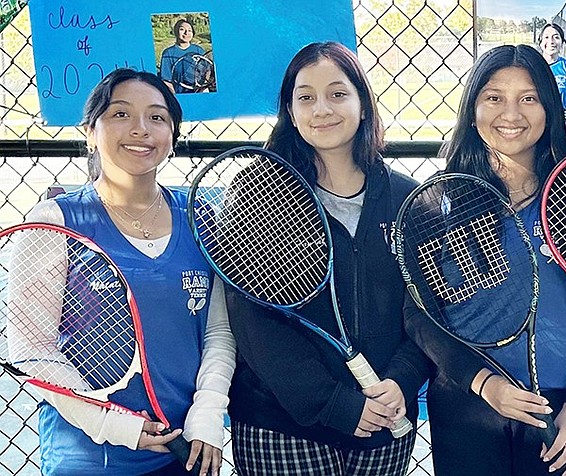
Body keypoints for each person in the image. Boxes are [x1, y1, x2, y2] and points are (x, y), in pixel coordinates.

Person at [404, 44, 566, 476]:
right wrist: (484, 383)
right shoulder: (436, 199)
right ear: (472, 109)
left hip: (560, 408)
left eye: (529, 98)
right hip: (467, 402)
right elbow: (418, 315)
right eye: (494, 97)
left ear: (550, 109)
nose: (512, 114)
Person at [225, 42, 431, 476]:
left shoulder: (406, 196)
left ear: (362, 103)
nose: (322, 109)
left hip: (385, 418)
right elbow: (254, 321)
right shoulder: (259, 191)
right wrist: (333, 404)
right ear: (289, 108)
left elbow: (426, 311)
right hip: (281, 426)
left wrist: (402, 380)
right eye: (306, 97)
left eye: (338, 94)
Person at [21, 68, 233, 476]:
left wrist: (207, 413)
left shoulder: (200, 217)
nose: (141, 129)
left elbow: (218, 331)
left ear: (172, 137)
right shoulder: (55, 219)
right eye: (121, 114)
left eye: (157, 117)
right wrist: (114, 425)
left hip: (183, 446)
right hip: (88, 456)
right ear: (90, 131)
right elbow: (33, 350)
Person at [539, 23, 566, 110]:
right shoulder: (532, 67)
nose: (551, 41)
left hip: (560, 121)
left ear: (562, 43)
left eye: (556, 37)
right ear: (540, 43)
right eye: (546, 37)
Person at [158, 18, 207, 94]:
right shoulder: (168, 53)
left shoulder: (199, 50)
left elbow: (207, 72)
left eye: (189, 30)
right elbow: (166, 80)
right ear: (176, 32)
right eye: (182, 29)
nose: (186, 33)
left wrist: (202, 88)